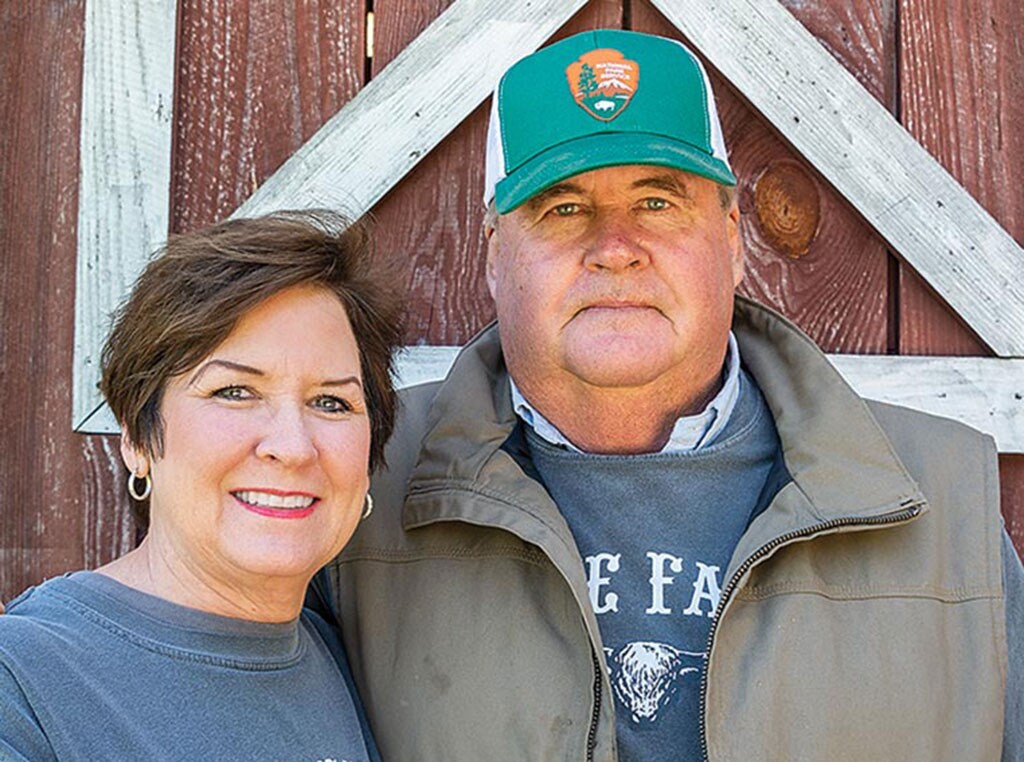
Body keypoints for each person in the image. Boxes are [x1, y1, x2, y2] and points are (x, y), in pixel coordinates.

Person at [318, 30, 1024, 761]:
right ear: (496, 255)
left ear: (732, 241)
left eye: (658, 201)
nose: (615, 246)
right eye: (563, 209)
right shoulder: (358, 485)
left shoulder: (941, 502)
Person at [0, 211, 400, 761]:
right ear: (138, 436)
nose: (293, 446)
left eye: (331, 402)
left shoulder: (352, 666)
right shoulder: (23, 685)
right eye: (234, 391)